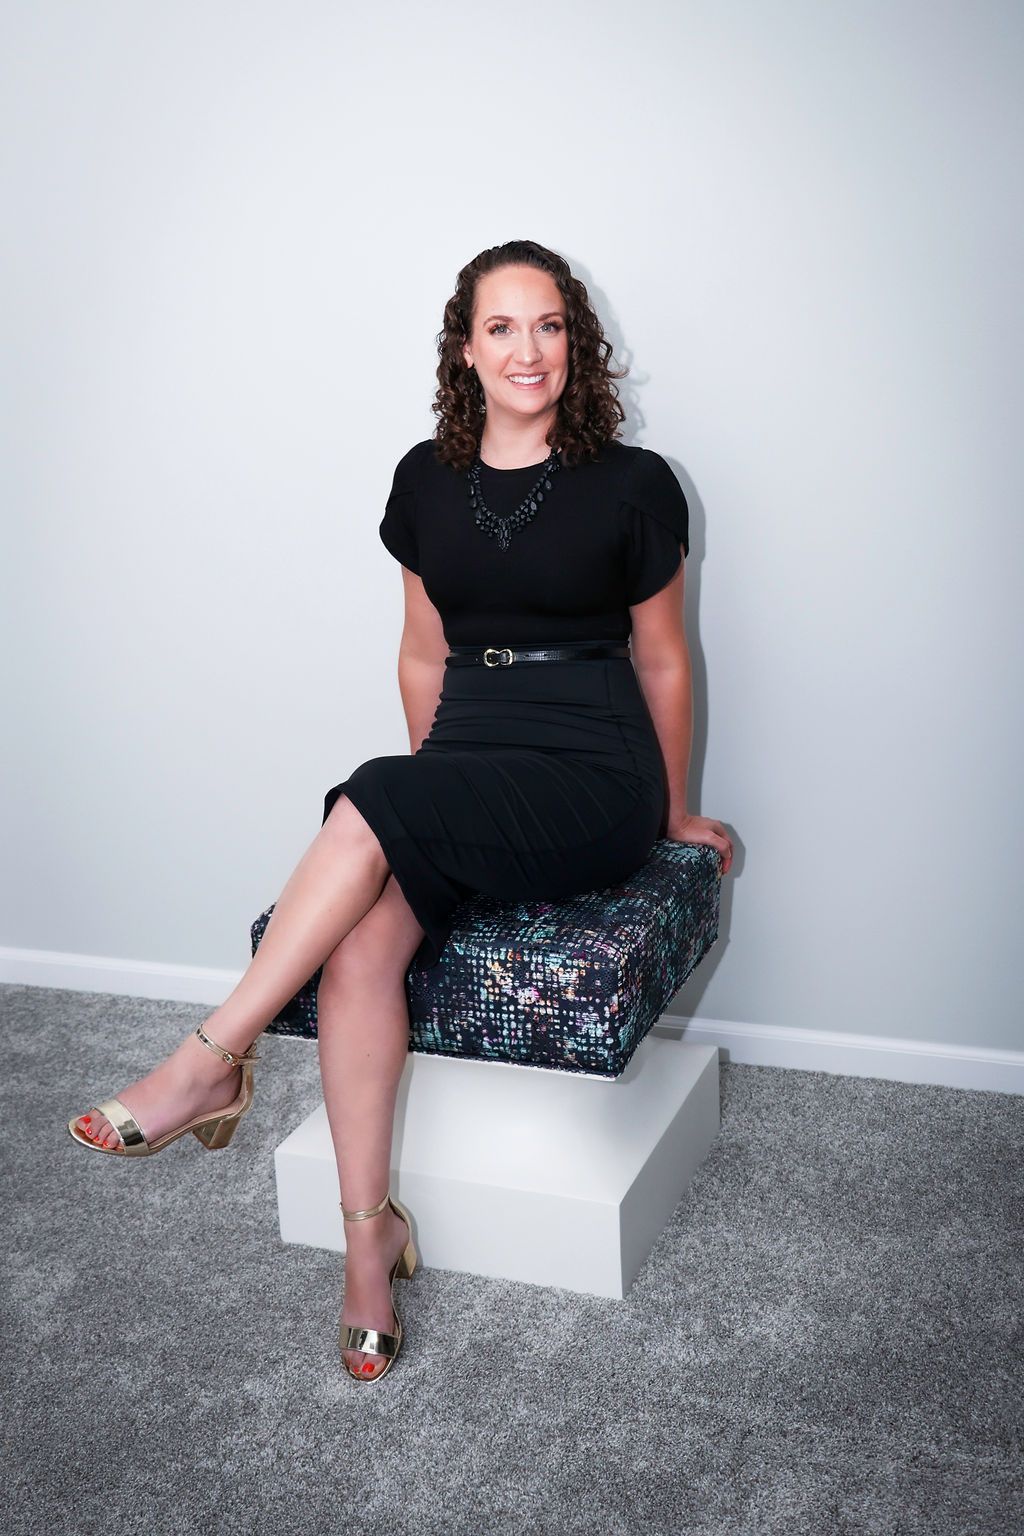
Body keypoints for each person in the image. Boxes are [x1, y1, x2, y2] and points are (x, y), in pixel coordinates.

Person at [67, 238, 734, 1383]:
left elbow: (666, 662)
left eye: (550, 326)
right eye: (503, 328)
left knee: (376, 794)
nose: (529, 350)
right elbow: (423, 653)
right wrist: (427, 804)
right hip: (468, 756)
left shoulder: (635, 484)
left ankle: (211, 1059)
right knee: (362, 946)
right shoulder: (423, 480)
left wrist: (675, 812)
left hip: (591, 770)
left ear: (577, 342)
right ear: (464, 350)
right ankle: (367, 1237)